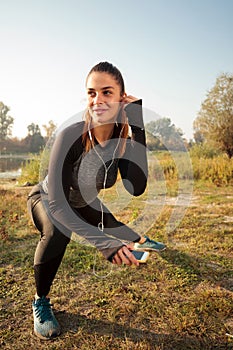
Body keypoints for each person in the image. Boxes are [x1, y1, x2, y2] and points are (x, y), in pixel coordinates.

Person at [27, 61, 166, 340]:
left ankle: (139, 239)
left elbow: (136, 187)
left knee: (112, 223)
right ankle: (40, 300)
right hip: (47, 200)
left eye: (107, 92)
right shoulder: (71, 136)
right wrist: (104, 244)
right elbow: (57, 205)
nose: (98, 100)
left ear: (121, 99)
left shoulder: (121, 141)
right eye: (92, 93)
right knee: (58, 232)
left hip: (81, 202)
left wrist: (137, 125)